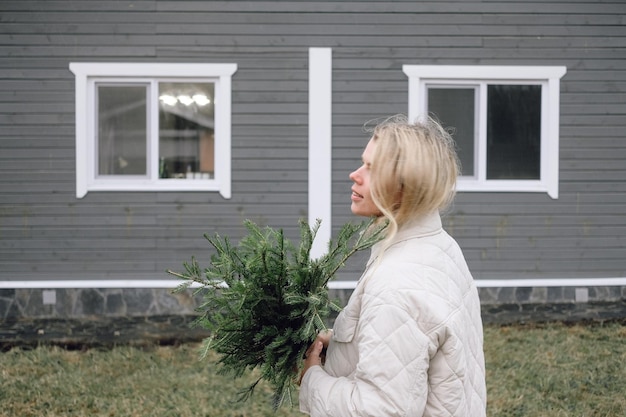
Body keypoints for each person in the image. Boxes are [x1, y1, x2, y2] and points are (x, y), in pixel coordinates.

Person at [298, 115, 487, 416]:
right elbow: (408, 342)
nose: (355, 175)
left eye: (372, 169)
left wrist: (312, 378)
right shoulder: (439, 246)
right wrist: (342, 343)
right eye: (363, 163)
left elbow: (379, 410)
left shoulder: (396, 284)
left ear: (405, 186)